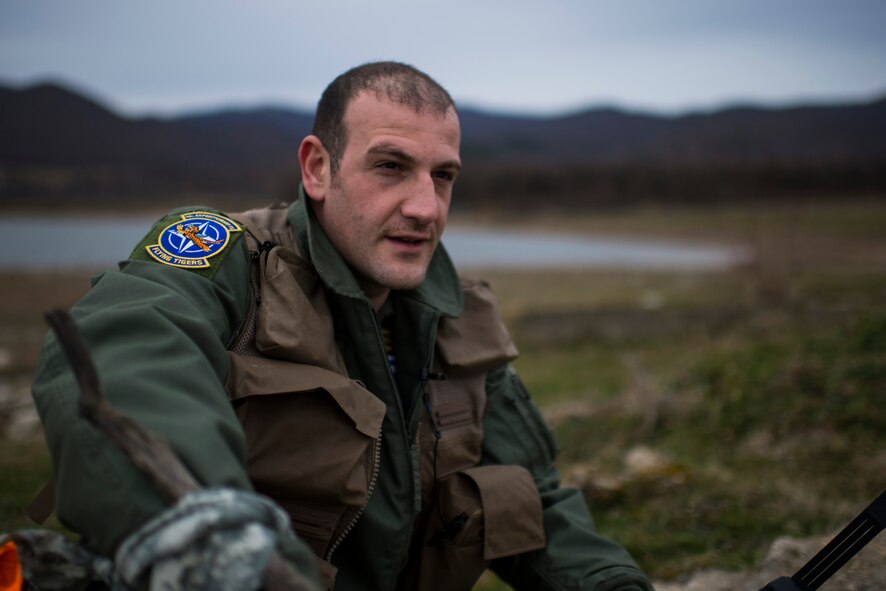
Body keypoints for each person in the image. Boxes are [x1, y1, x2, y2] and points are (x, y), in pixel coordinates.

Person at [30, 62, 654, 591]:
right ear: (317, 168)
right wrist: (195, 528)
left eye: (443, 176)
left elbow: (536, 503)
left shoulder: (454, 315)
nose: (425, 208)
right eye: (390, 167)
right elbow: (125, 348)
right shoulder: (226, 259)